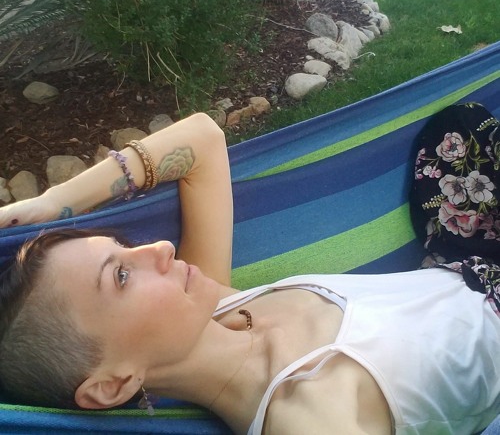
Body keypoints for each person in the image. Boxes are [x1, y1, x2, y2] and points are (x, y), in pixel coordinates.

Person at [1, 111, 500, 435]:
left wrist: (57, 202)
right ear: (113, 384)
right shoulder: (311, 415)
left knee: (458, 129)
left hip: (466, 263)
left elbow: (202, 139)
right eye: (121, 278)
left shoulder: (217, 304)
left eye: (125, 248)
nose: (159, 247)